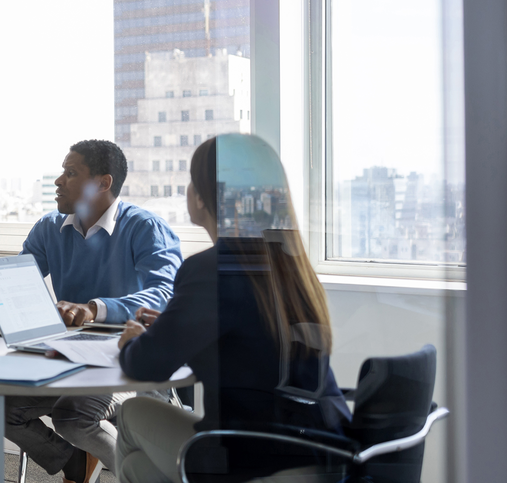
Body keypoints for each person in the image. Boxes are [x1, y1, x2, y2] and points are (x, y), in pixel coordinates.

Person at [114, 135, 350, 483]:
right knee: (137, 469)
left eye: (192, 180)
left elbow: (146, 364)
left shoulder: (212, 269)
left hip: (259, 459)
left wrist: (132, 340)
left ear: (203, 195)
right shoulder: (289, 264)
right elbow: (245, 332)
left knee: (133, 411)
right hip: (326, 452)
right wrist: (173, 324)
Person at [0, 139, 182, 483]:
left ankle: (151, 478)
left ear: (103, 182)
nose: (58, 181)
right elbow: (18, 283)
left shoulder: (145, 227)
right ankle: (76, 463)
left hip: (128, 361)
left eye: (70, 173)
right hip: (68, 356)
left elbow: (165, 295)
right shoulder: (49, 227)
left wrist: (95, 309)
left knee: (73, 415)